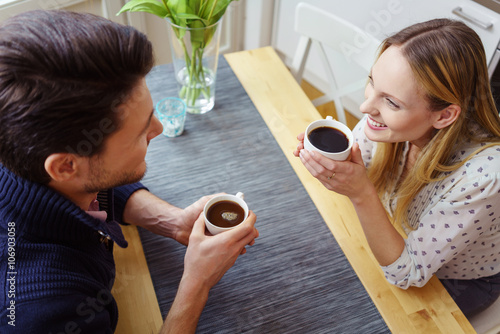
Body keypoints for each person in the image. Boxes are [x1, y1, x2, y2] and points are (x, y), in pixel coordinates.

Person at [0, 10, 258, 333]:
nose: (159, 128)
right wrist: (196, 284)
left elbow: (94, 182)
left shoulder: (19, 145)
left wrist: (173, 222)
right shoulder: (45, 313)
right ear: (66, 165)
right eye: (140, 131)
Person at [294, 18, 500, 317]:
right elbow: (362, 166)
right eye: (372, 83)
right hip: (400, 232)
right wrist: (333, 164)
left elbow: (408, 273)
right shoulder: (387, 124)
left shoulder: (484, 177)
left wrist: (362, 194)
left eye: (391, 101)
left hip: (455, 281)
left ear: (444, 116)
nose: (365, 109)